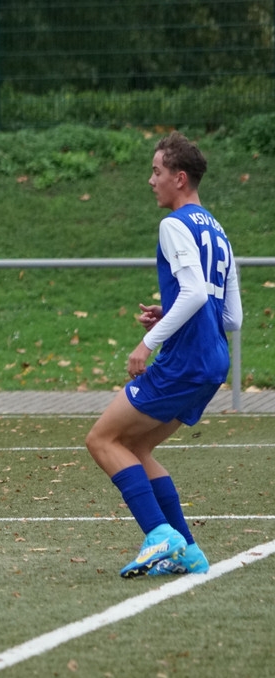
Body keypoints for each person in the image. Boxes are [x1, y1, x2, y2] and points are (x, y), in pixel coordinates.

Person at [85, 132, 242, 578]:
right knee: (136, 446)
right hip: (213, 362)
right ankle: (188, 550)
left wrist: (148, 343)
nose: (150, 180)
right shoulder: (218, 231)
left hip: (185, 361)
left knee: (101, 440)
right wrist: (171, 313)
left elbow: (194, 294)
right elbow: (231, 316)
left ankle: (159, 534)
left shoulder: (174, 225)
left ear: (179, 178)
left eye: (156, 172)